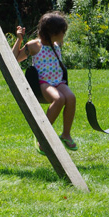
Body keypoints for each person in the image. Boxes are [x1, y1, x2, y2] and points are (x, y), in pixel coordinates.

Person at [12, 11, 77, 151]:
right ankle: (42, 135)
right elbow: (14, 59)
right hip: (42, 83)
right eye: (62, 31)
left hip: (58, 81)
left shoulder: (56, 43)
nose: (64, 34)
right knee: (59, 99)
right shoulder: (35, 46)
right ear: (51, 33)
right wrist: (19, 39)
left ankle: (66, 134)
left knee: (71, 97)